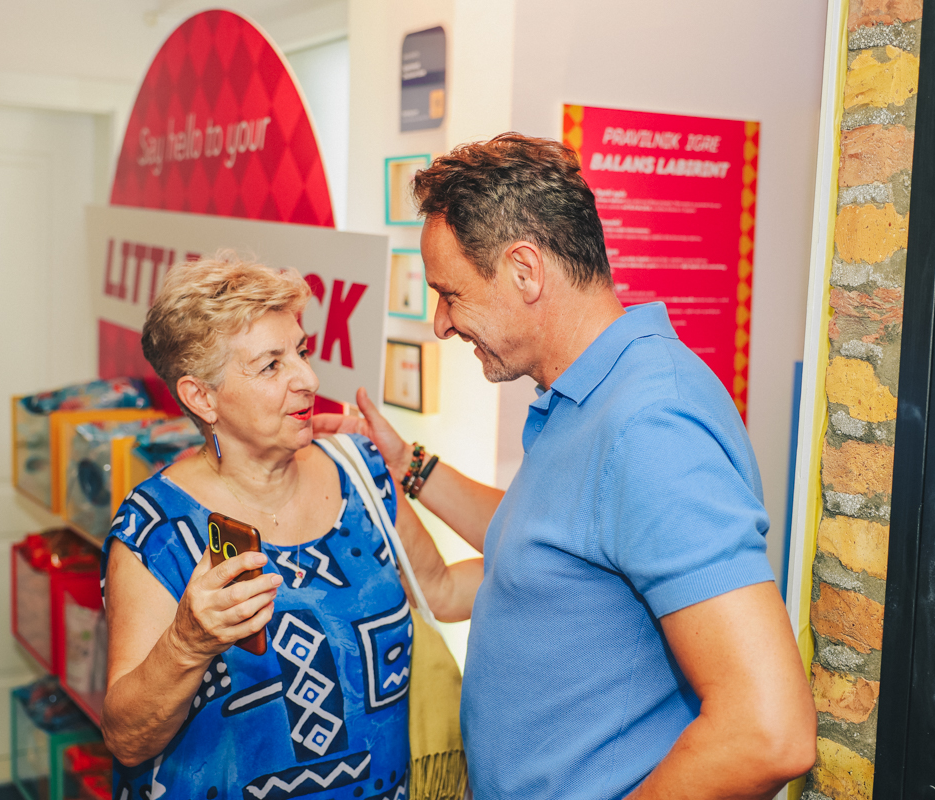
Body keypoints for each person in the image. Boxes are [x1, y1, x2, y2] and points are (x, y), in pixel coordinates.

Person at [315, 134, 817, 800]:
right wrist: (407, 465)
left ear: (525, 270)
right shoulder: (588, 394)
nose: (441, 323)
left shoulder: (649, 424)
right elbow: (551, 536)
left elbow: (769, 731)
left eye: (451, 294)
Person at [99, 253, 461, 800]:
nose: (308, 379)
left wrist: (573, 565)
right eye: (271, 366)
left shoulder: (360, 471)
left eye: (302, 352)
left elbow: (443, 589)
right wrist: (187, 644)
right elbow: (127, 740)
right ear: (202, 397)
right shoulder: (156, 530)